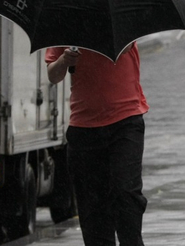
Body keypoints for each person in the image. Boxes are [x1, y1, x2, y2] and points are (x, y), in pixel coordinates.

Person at [46, 44, 149, 246]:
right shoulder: (66, 21)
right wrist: (65, 61)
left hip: (125, 121)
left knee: (126, 193)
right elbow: (53, 75)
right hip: (83, 128)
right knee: (92, 207)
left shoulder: (120, 17)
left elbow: (128, 44)